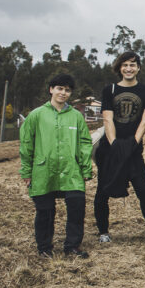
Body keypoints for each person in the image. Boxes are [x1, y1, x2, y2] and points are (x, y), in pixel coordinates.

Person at [20, 74, 92, 258]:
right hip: (43, 171)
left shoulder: (76, 116)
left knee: (77, 207)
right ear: (51, 89)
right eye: (60, 88)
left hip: (71, 171)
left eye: (67, 90)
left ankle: (72, 247)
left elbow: (85, 142)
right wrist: (27, 171)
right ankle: (44, 248)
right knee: (45, 211)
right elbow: (26, 144)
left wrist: (85, 168)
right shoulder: (36, 115)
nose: (63, 93)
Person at [93, 51, 145, 248]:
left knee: (143, 190)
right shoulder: (109, 90)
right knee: (101, 192)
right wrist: (115, 145)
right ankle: (103, 232)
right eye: (125, 65)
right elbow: (107, 119)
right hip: (110, 149)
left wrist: (133, 144)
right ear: (119, 68)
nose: (129, 68)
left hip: (133, 149)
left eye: (132, 65)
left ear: (138, 67)